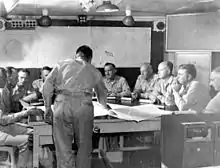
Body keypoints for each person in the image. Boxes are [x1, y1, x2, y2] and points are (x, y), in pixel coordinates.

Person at [42, 45, 109, 168]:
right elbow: (102, 95)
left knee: (62, 147)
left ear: (76, 55)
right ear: (89, 58)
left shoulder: (61, 65)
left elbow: (46, 86)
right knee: (84, 147)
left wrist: (47, 108)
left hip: (61, 104)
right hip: (83, 106)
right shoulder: (93, 70)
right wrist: (105, 106)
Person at [0, 67, 43, 168]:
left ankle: (33, 164)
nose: (18, 80)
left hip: (4, 125)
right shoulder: (2, 92)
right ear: (7, 78)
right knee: (27, 140)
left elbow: (7, 114)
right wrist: (24, 114)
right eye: (16, 77)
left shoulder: (6, 90)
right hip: (2, 129)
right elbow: (3, 120)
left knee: (35, 131)